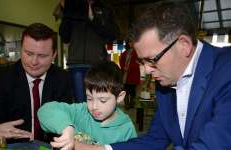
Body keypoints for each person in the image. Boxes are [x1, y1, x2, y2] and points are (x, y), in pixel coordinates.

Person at [74, 1, 231, 150]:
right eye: (142, 62)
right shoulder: (166, 82)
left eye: (152, 60)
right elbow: (155, 140)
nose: (147, 70)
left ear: (184, 46)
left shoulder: (226, 70)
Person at [0, 23, 74, 143]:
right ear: (21, 49)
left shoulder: (64, 79)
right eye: (28, 53)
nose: (34, 62)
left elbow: (65, 120)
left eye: (42, 55)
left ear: (54, 55)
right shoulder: (0, 79)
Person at [38, 61, 137, 150]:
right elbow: (45, 110)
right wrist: (67, 128)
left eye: (102, 100)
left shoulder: (126, 129)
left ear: (119, 97)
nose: (94, 106)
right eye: (89, 98)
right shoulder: (82, 111)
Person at [59, 0, 118, 102]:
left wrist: (92, 18)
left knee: (97, 101)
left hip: (97, 65)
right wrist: (66, 13)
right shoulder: (73, 7)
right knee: (79, 103)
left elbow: (112, 34)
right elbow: (65, 37)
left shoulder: (105, 9)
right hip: (76, 64)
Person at [119, 39, 140, 109]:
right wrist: (123, 67)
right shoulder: (124, 53)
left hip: (133, 75)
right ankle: (127, 105)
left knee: (132, 91)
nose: (131, 43)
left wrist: (129, 68)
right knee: (125, 91)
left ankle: (132, 104)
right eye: (130, 42)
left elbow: (137, 63)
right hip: (125, 76)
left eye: (132, 42)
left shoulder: (137, 53)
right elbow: (121, 62)